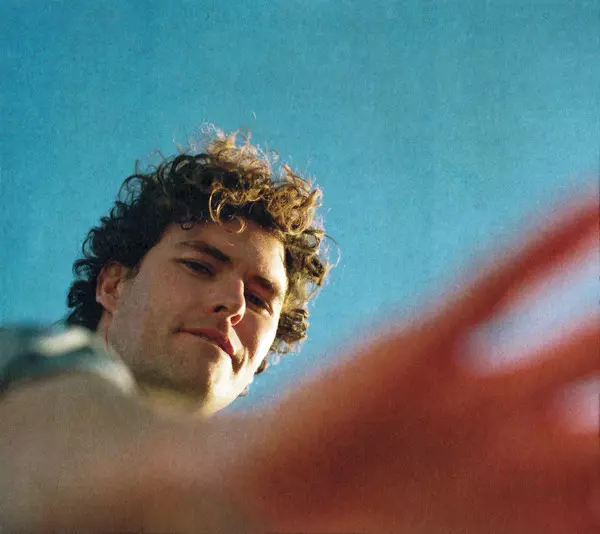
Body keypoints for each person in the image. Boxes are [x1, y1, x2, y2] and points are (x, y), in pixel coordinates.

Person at [0, 127, 598, 534]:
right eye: (200, 266)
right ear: (113, 285)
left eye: (261, 299)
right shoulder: (28, 368)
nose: (235, 303)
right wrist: (219, 481)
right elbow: (47, 439)